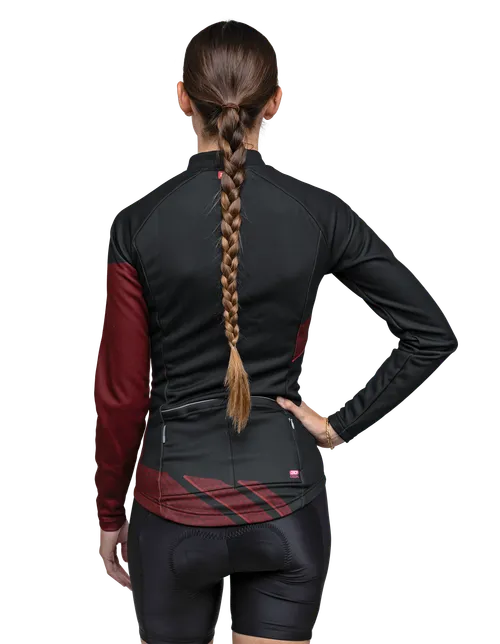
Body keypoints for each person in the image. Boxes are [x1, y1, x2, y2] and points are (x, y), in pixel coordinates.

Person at [93, 18, 459, 644]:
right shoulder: (320, 213)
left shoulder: (137, 226)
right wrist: (341, 424)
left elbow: (121, 395)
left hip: (171, 508)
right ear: (276, 101)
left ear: (181, 97)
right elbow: (429, 332)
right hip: (285, 505)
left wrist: (107, 515)